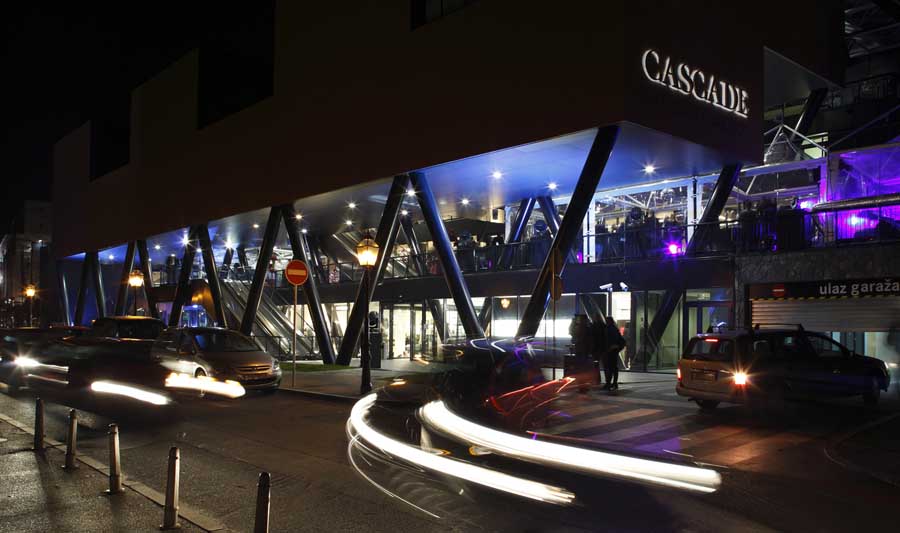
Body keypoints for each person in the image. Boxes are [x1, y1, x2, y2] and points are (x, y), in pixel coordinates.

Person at [603, 317, 626, 390]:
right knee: (614, 367)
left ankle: (609, 383)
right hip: (614, 350)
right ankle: (614, 383)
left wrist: (609, 348)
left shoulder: (609, 329)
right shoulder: (614, 328)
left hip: (611, 350)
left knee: (610, 367)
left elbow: (609, 340)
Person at [590, 314, 608, 387]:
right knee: (605, 365)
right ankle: (606, 381)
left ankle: (596, 379)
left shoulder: (593, 326)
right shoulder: (604, 326)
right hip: (602, 348)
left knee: (595, 365)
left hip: (596, 348)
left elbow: (592, 337)